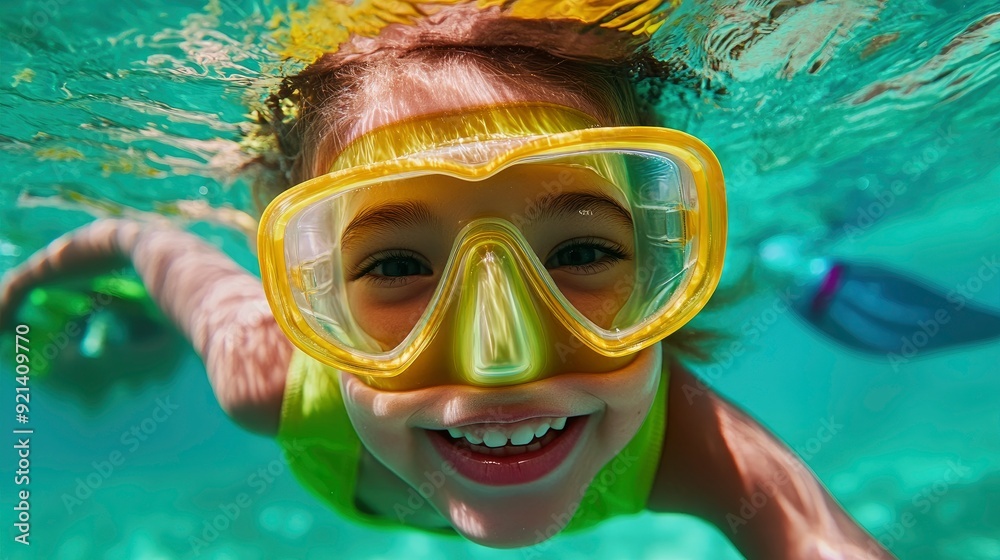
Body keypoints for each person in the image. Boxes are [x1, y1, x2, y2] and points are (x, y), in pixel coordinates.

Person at [0, 4, 895, 559]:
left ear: (665, 267)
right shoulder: (266, 375)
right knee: (120, 324)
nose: (497, 361)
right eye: (396, 266)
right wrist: (15, 301)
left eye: (582, 254)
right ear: (307, 295)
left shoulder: (700, 450)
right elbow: (136, 234)